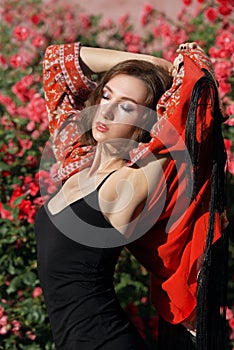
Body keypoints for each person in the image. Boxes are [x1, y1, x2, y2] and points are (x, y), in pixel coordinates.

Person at [34, 41, 228, 350]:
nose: (107, 111)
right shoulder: (76, 162)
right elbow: (56, 64)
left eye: (126, 106)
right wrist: (150, 61)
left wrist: (166, 71)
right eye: (107, 95)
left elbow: (193, 91)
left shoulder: (132, 180)